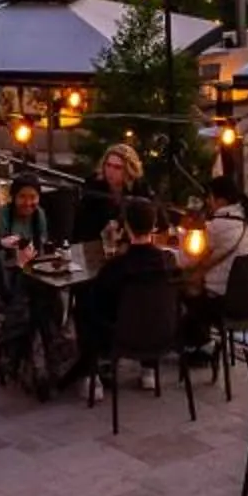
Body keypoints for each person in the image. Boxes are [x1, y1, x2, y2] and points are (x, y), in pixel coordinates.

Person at [80, 196, 179, 396]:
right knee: (147, 307)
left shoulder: (117, 267)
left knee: (84, 306)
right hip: (164, 331)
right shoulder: (168, 260)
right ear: (153, 225)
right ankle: (148, 369)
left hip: (125, 335)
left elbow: (100, 299)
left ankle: (92, 377)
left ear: (126, 226)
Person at [77, 144, 145, 253]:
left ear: (128, 169)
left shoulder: (138, 188)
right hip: (94, 245)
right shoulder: (94, 185)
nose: (111, 171)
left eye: (117, 167)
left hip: (131, 246)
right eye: (108, 165)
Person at [0, 175, 50, 257]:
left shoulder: (39, 214)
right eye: (22, 196)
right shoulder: (5, 214)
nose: (27, 203)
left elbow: (42, 245)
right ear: (14, 197)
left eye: (33, 197)